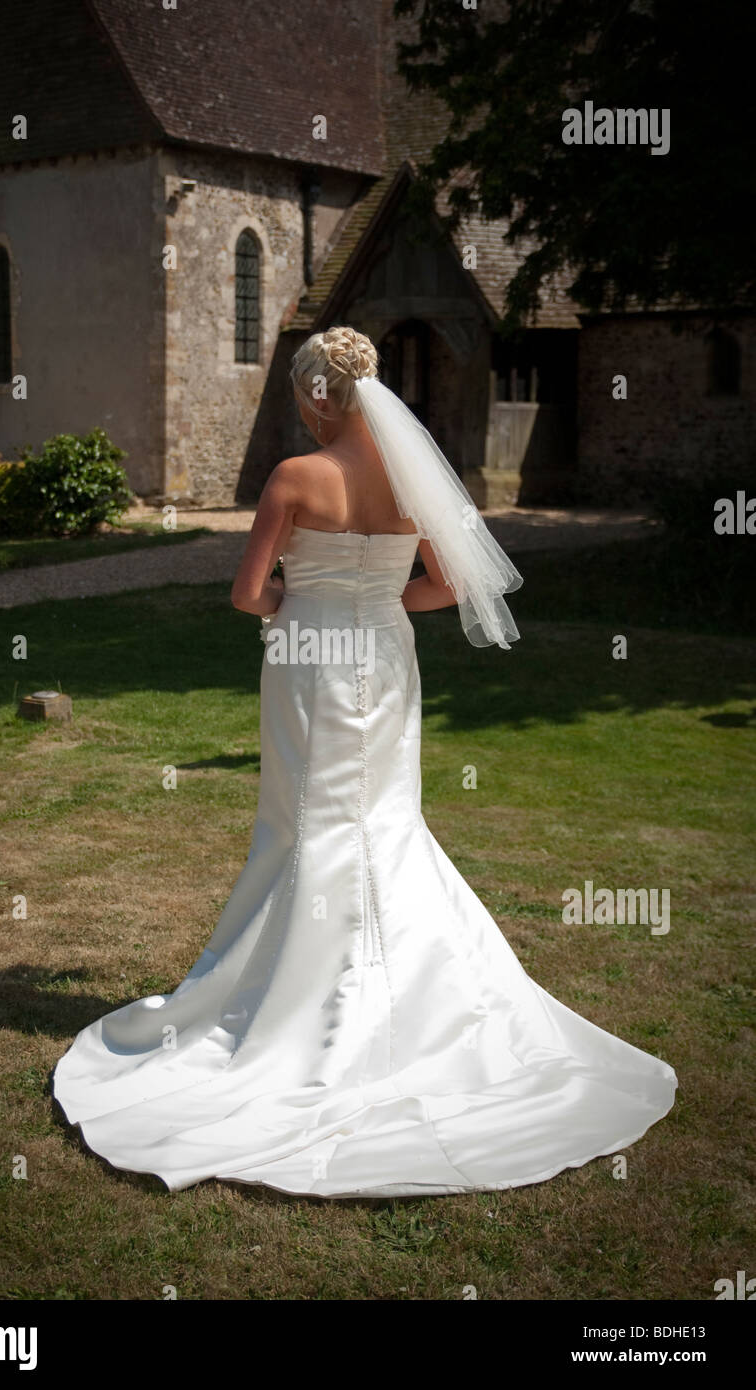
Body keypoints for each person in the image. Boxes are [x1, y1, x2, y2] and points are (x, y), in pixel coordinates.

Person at [53, 326, 677, 1197]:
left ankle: (299, 1005)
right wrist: (379, 599)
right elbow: (451, 584)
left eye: (302, 398)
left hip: (307, 656)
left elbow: (245, 593)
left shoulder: (295, 477)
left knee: (306, 820)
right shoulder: (413, 478)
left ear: (318, 395)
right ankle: (418, 1006)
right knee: (384, 818)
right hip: (386, 654)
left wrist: (297, 602)